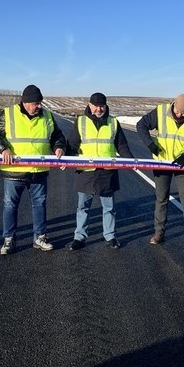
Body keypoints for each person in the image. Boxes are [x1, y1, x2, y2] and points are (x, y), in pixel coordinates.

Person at [0, 84, 66, 255]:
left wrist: (59, 147)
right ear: (25, 102)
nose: (39, 106)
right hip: (14, 171)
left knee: (39, 204)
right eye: (36, 103)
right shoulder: (8, 114)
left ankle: (40, 237)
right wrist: (4, 149)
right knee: (10, 205)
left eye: (40, 103)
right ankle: (8, 240)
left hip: (38, 170)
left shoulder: (47, 115)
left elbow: (57, 136)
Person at [136, 94, 184, 248]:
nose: (179, 115)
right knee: (161, 199)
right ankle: (159, 232)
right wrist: (150, 144)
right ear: (173, 104)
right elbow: (141, 125)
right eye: (178, 111)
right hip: (162, 162)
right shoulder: (161, 112)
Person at [65, 92, 133, 250]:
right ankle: (79, 237)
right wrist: (65, 159)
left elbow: (121, 145)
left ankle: (110, 236)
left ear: (106, 106)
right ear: (89, 105)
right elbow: (73, 144)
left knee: (109, 207)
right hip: (86, 171)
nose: (98, 109)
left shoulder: (113, 122)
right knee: (83, 207)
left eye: (101, 106)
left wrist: (131, 160)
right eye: (95, 105)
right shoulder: (81, 122)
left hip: (107, 172)